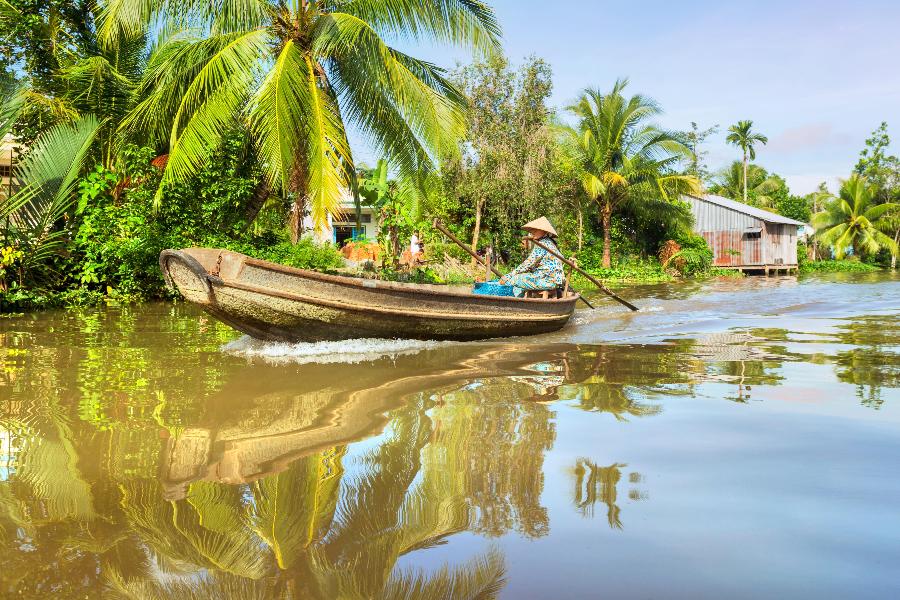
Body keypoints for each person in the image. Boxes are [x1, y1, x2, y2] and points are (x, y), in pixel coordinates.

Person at [499, 217, 564, 297]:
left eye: (536, 230)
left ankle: (515, 303)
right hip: (552, 280)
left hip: (547, 281)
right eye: (532, 230)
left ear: (544, 231)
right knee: (520, 281)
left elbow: (528, 263)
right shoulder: (550, 243)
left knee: (513, 279)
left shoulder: (543, 244)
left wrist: (509, 275)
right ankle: (520, 299)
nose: (533, 232)